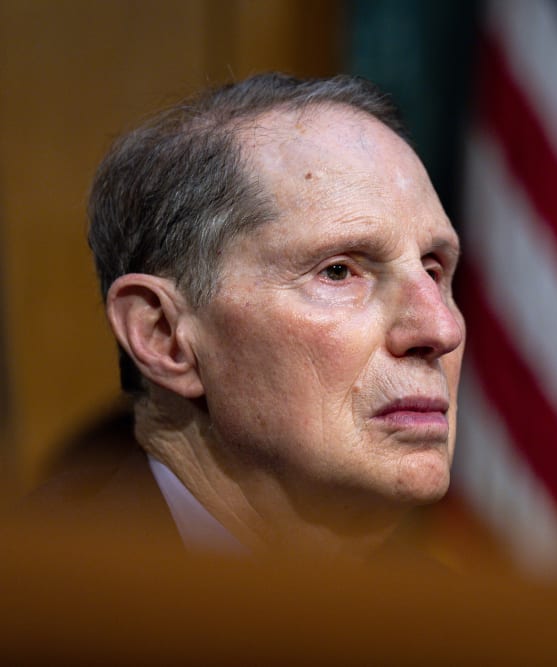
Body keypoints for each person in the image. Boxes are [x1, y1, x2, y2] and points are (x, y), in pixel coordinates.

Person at [39, 72, 466, 559]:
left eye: (434, 271)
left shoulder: (470, 623)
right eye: (339, 271)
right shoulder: (36, 607)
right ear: (164, 336)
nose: (440, 329)